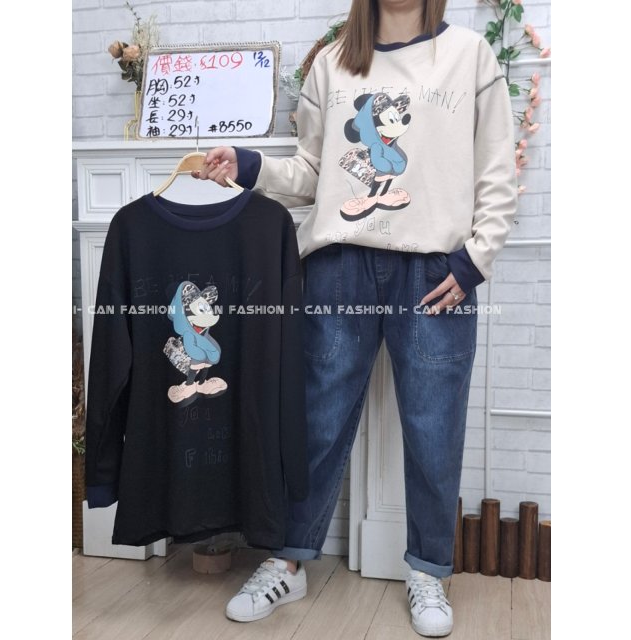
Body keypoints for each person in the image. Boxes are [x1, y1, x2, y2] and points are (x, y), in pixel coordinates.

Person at [192, 0, 516, 636]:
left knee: (434, 429)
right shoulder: (334, 64)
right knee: (316, 421)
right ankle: (289, 561)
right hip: (340, 266)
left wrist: (476, 259)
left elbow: (496, 170)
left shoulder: (470, 56)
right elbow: (313, 172)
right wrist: (250, 167)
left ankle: (428, 569)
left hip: (434, 272)